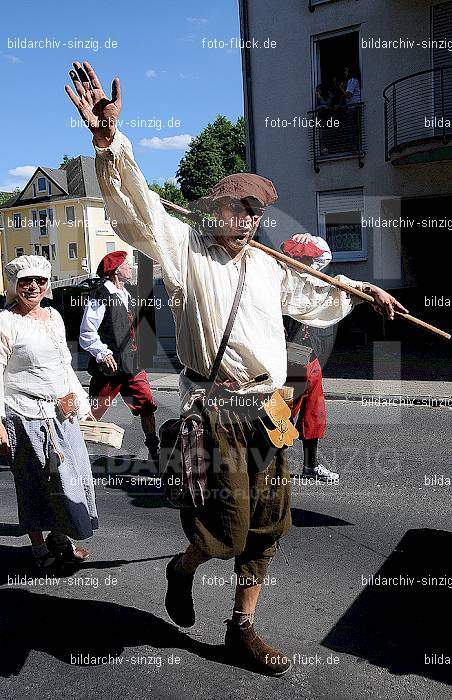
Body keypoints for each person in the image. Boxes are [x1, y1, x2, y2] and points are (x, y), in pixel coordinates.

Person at [65, 60, 407, 677]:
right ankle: (184, 565)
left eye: (256, 210)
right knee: (225, 525)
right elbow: (135, 210)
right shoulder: (183, 250)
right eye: (237, 206)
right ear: (216, 208)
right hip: (217, 409)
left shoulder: (274, 266)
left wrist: (362, 292)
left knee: (271, 522)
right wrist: (109, 142)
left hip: (271, 407)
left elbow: (317, 298)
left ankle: (241, 626)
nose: (247, 217)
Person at [0, 255, 98, 570]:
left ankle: (60, 538)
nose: (33, 287)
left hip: (60, 413)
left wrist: (78, 407)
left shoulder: (53, 316)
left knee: (68, 479)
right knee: (34, 482)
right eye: (25, 281)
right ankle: (39, 546)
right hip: (23, 415)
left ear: (47, 284)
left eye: (40, 281)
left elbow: (63, 366)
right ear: (15, 285)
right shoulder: (6, 322)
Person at [79, 250, 159, 462]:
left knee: (147, 404)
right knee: (93, 413)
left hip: (132, 364)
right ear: (116, 271)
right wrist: (102, 353)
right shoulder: (100, 295)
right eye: (126, 265)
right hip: (111, 367)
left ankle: (154, 449)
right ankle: (72, 453)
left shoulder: (126, 294)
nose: (130, 268)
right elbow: (87, 332)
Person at [282, 233, 338, 483]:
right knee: (280, 416)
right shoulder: (284, 284)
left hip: (311, 358)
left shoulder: (316, 284)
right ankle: (271, 467)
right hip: (289, 360)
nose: (316, 267)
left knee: (314, 414)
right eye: (311, 262)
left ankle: (310, 466)